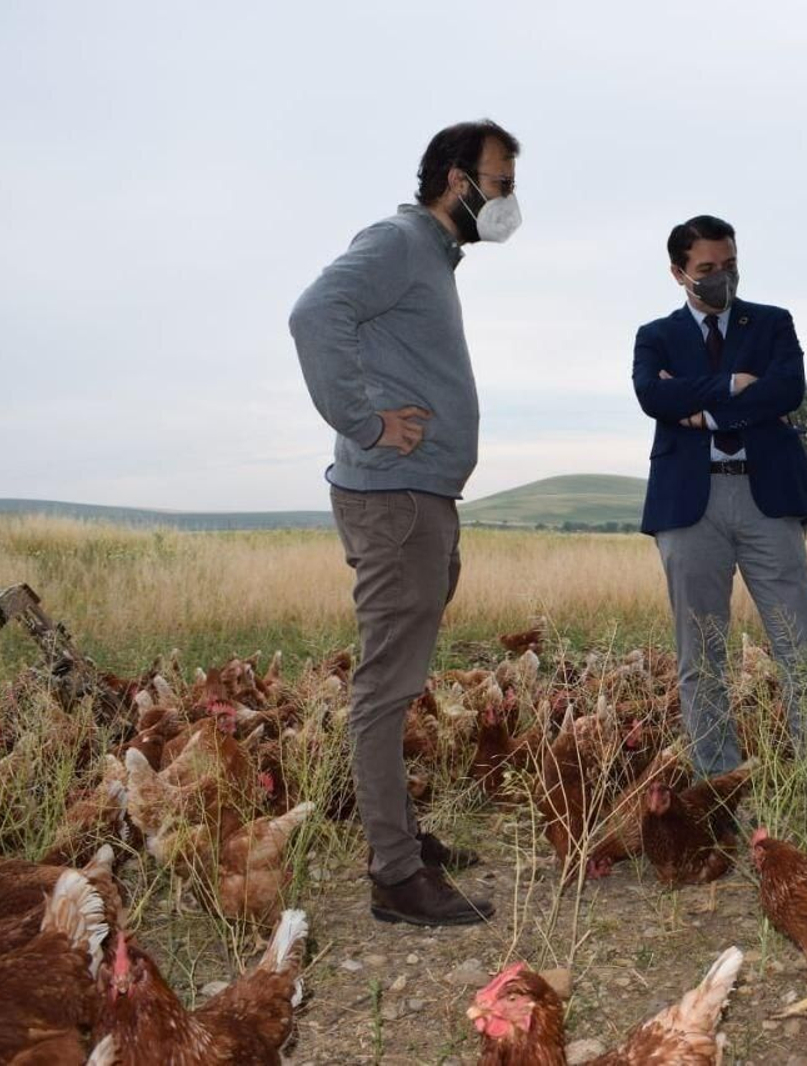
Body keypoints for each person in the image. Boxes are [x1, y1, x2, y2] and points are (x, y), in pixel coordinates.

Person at [289, 119, 523, 926]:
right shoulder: (398, 240)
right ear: (456, 180)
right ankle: (395, 875)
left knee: (401, 674)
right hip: (394, 496)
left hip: (420, 497)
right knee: (385, 689)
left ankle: (401, 839)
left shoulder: (431, 258)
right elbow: (313, 315)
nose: (508, 200)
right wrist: (365, 422)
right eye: (500, 182)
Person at [632, 215, 807, 842]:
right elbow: (651, 400)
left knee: (804, 650)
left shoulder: (772, 323)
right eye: (707, 269)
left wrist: (696, 403)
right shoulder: (653, 335)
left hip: (766, 500)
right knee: (700, 657)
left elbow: (785, 391)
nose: (721, 278)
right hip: (690, 508)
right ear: (679, 272)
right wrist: (731, 388)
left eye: (729, 264)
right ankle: (720, 796)